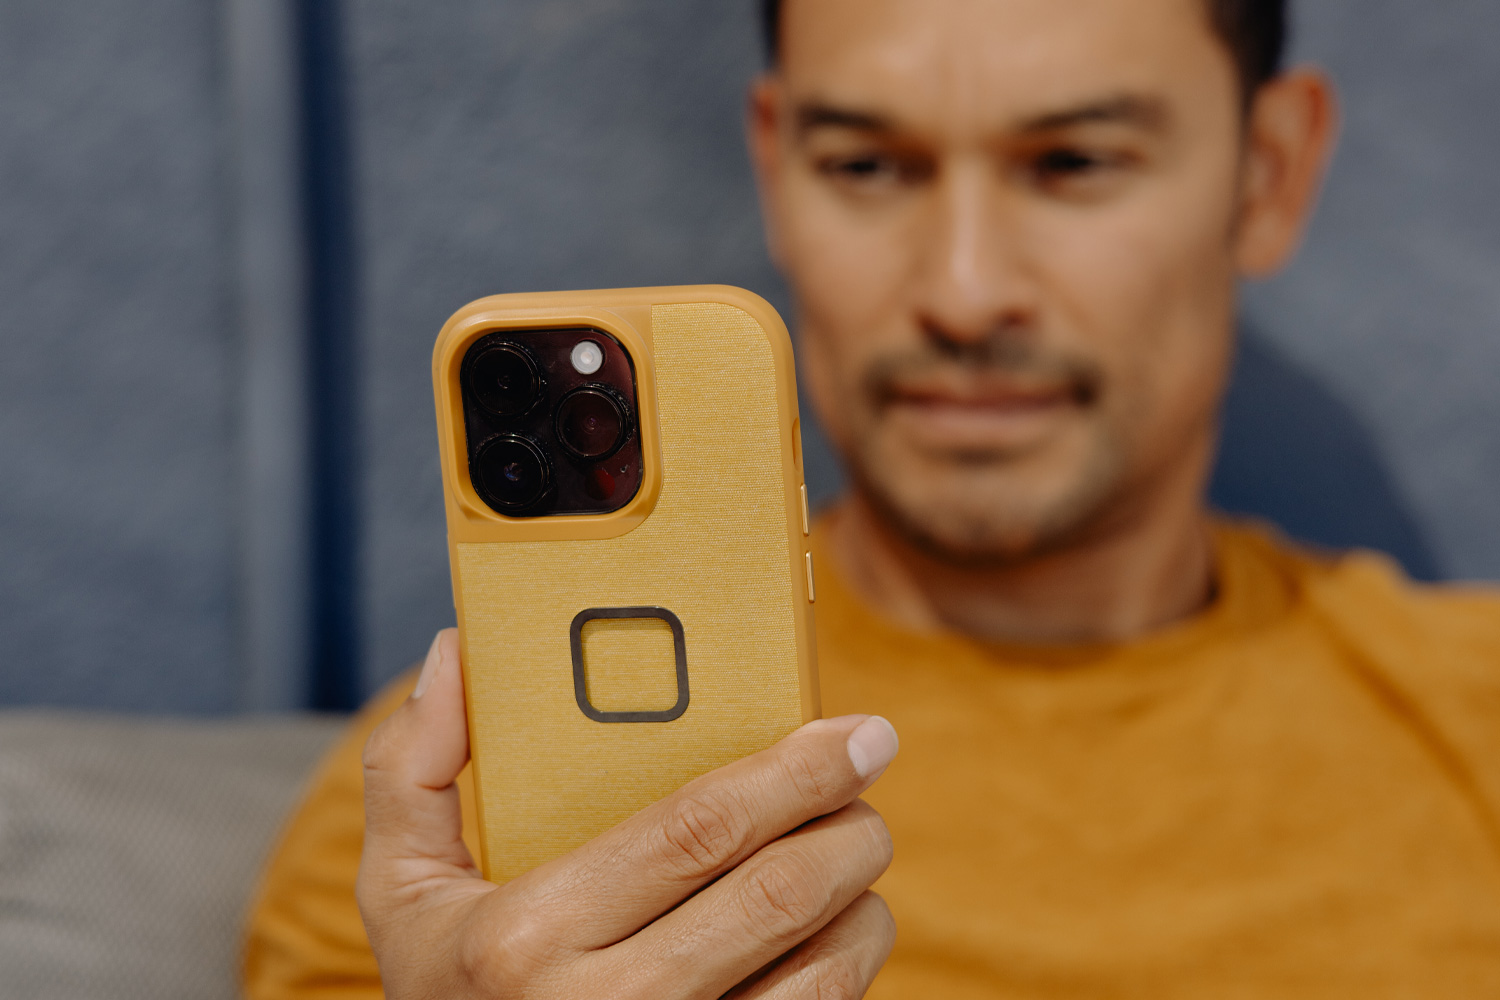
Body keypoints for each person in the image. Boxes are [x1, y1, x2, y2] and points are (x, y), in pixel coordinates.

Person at [244, 0, 1500, 996]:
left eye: (1072, 162)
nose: (962, 291)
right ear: (776, 170)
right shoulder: (448, 851)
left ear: (1267, 173)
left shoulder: (1471, 710)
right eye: (867, 164)